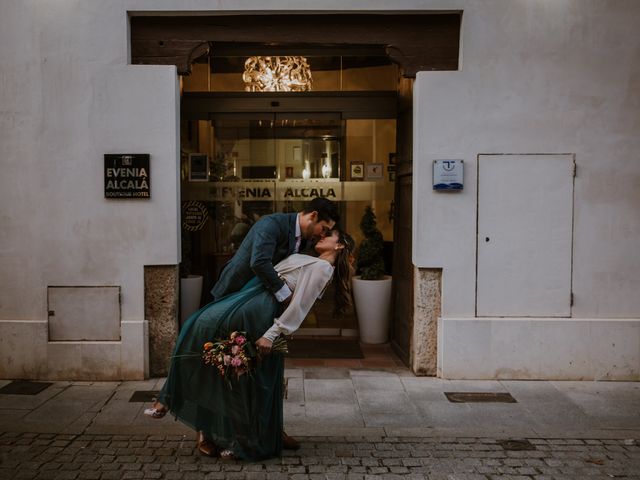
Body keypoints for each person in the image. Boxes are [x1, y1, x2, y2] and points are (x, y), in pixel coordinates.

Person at [144, 230, 355, 461]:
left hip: (261, 307)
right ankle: (177, 403)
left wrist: (272, 334)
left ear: (340, 246)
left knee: (224, 354)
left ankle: (183, 407)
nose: (322, 236)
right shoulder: (313, 260)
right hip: (253, 298)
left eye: (330, 235)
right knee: (204, 337)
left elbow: (300, 305)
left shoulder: (324, 269)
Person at [210, 197, 340, 305]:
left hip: (257, 300)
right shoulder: (272, 223)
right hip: (233, 292)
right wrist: (286, 294)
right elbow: (260, 262)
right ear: (313, 215)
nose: (323, 235)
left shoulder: (305, 239)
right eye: (323, 228)